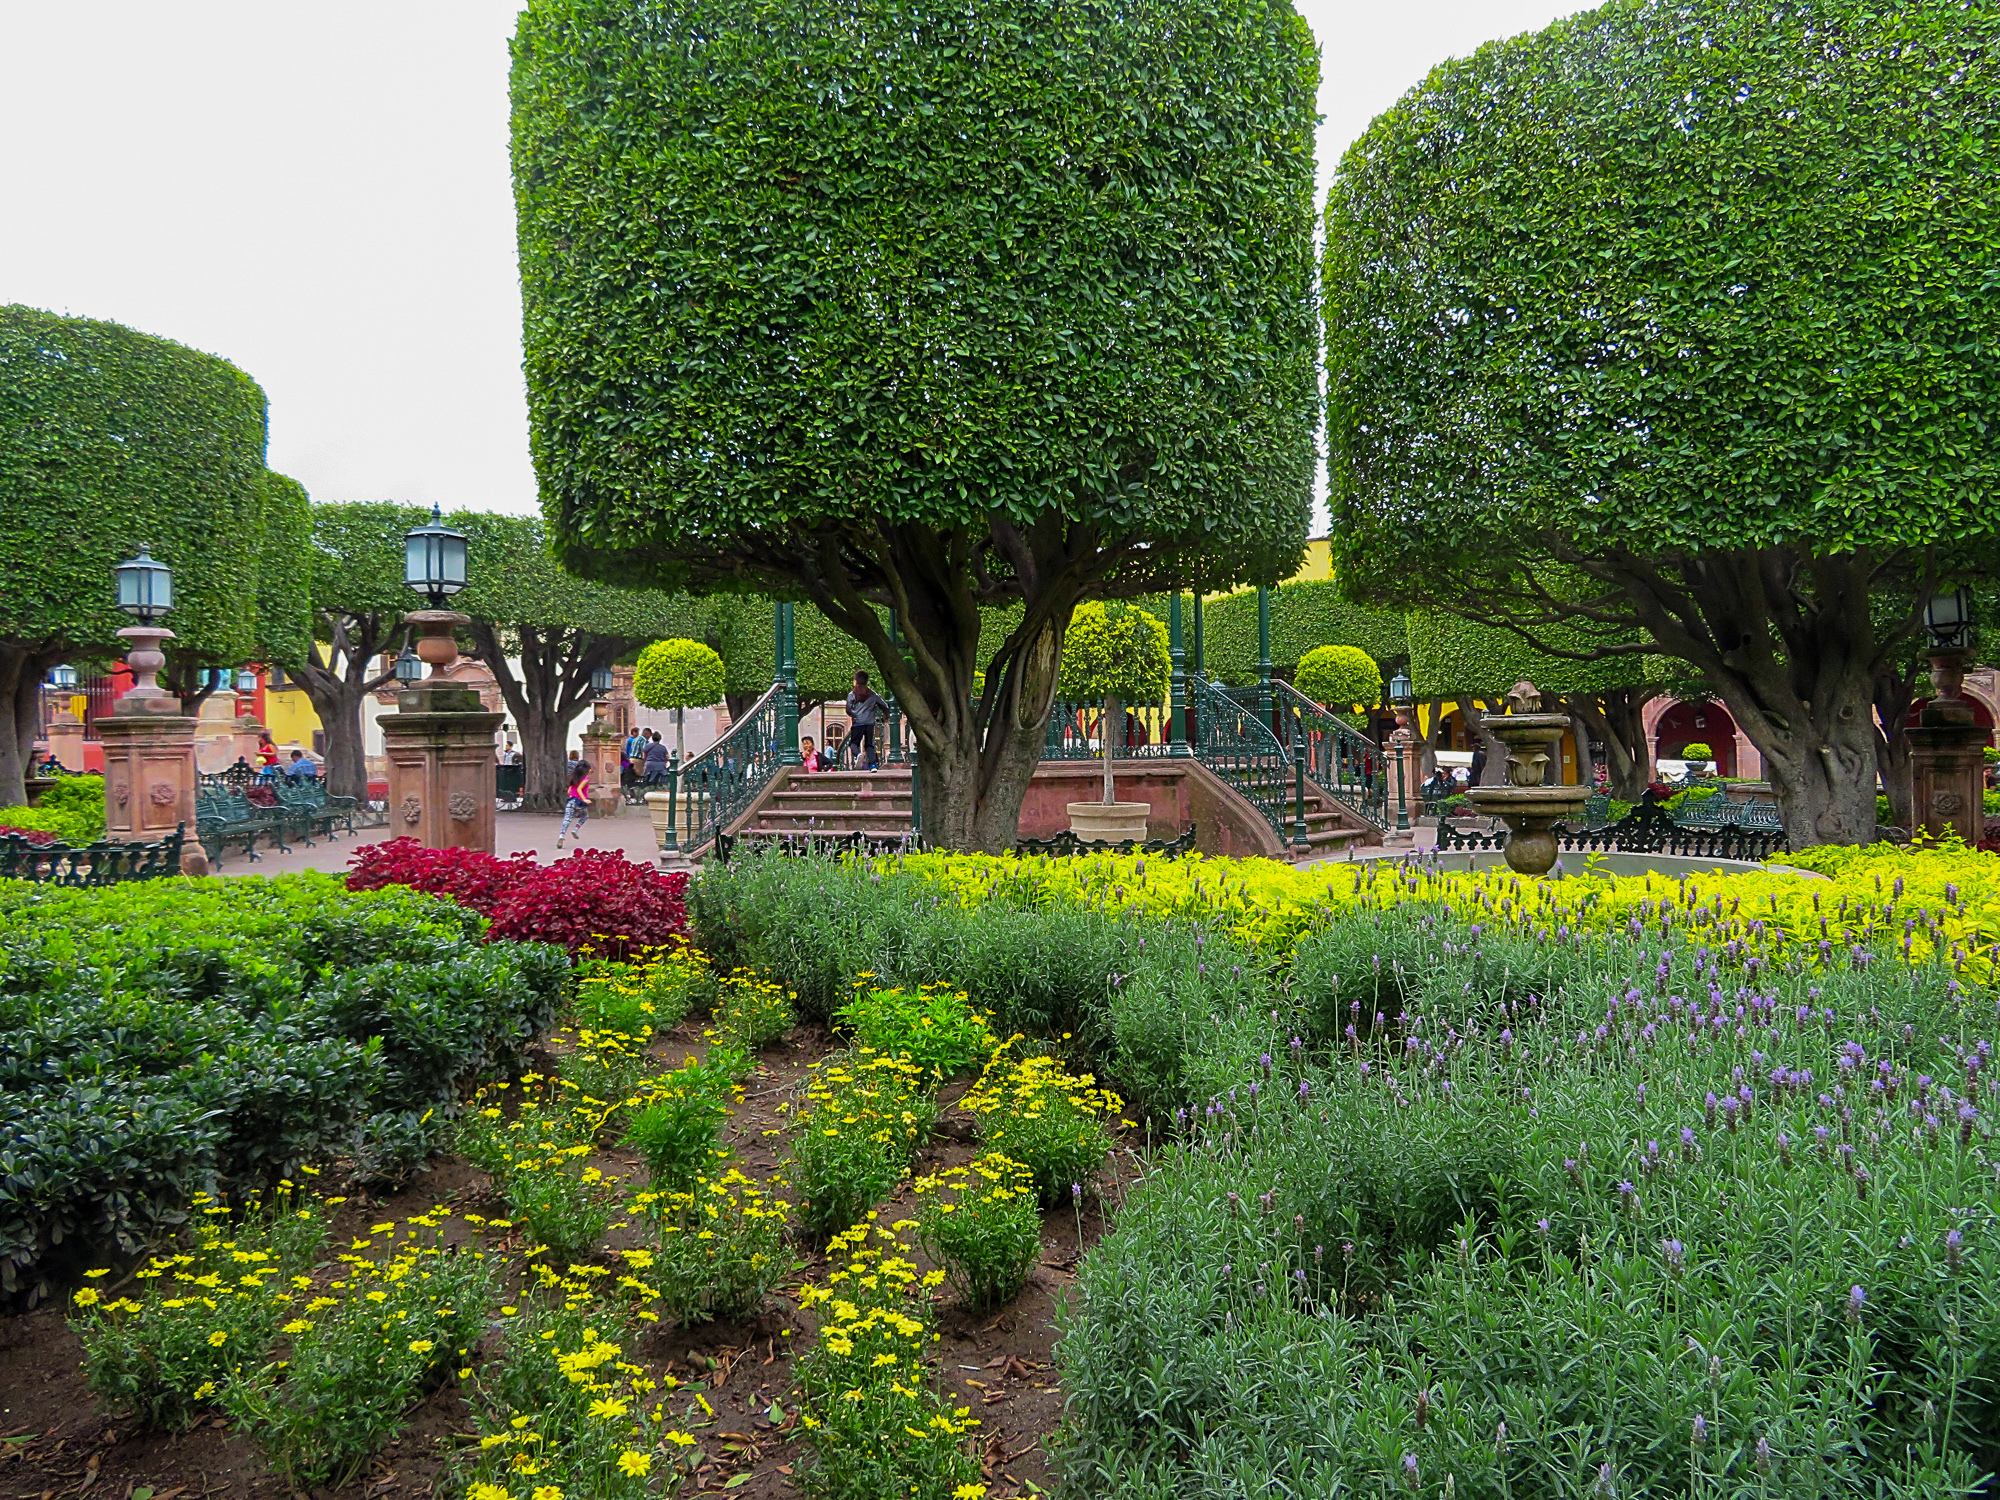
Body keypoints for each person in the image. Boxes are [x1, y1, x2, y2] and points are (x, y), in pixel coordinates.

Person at [844, 671, 885, 771]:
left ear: (856, 681)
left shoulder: (852, 694)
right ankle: (873, 765)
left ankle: (858, 755)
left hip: (858, 722)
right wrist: (885, 716)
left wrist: (855, 715)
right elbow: (884, 705)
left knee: (853, 743)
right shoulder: (873, 694)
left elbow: (848, 709)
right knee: (869, 745)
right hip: (869, 723)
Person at [556, 755, 590, 848]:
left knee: (567, 819)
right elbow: (579, 789)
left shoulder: (573, 779)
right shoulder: (585, 779)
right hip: (580, 802)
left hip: (571, 801)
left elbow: (569, 791)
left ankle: (562, 835)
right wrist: (584, 799)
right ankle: (575, 829)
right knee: (584, 816)